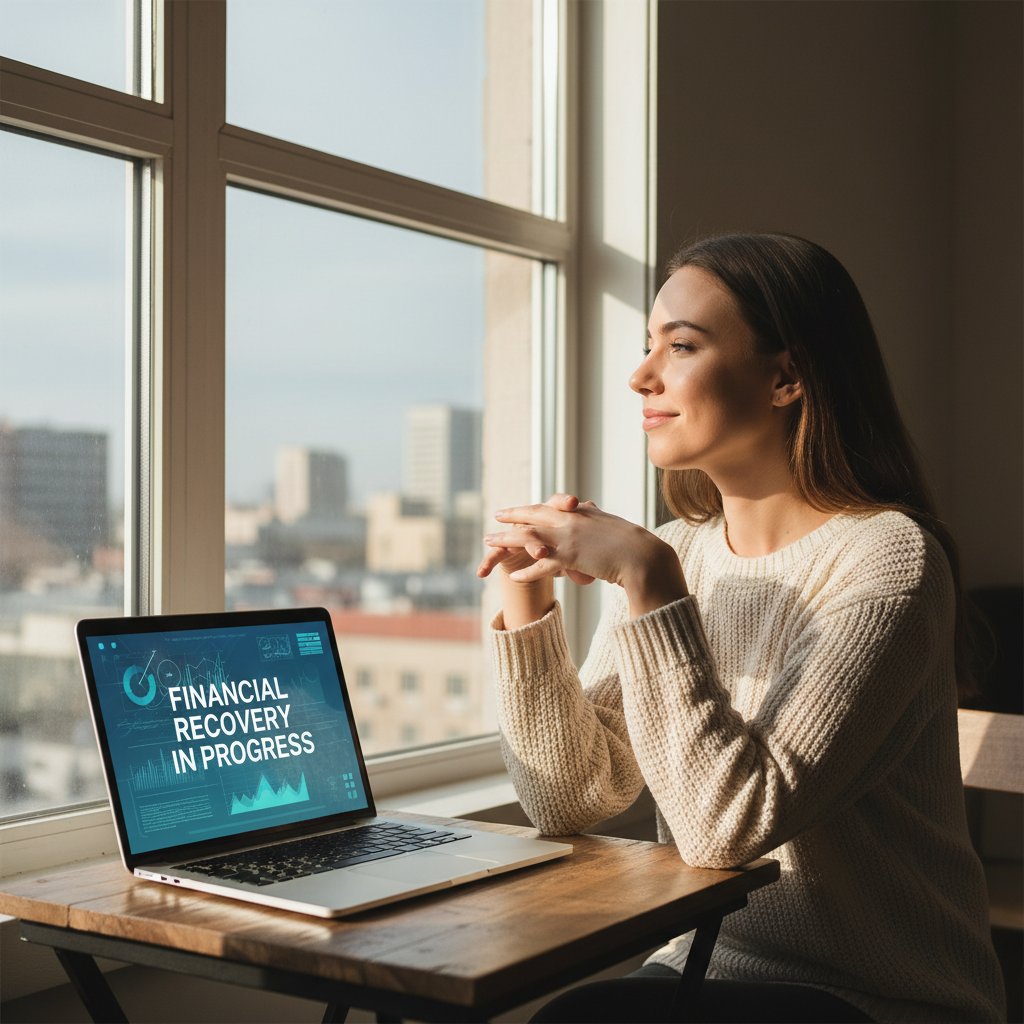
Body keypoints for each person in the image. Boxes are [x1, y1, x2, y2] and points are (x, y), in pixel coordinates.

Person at [477, 234, 1005, 1023]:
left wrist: (649, 582)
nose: (641, 375)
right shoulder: (686, 548)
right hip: (702, 969)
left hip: (884, 995)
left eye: (681, 345)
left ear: (786, 377)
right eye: (647, 345)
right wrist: (527, 601)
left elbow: (728, 827)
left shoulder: (889, 558)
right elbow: (572, 796)